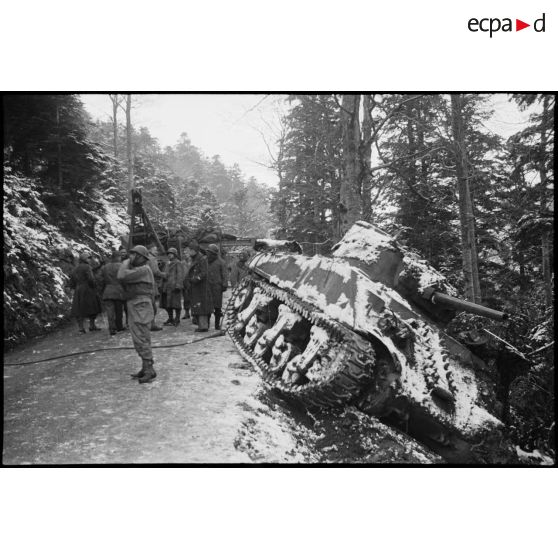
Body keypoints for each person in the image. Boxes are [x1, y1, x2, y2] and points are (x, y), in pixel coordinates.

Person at [117, 245, 157, 384]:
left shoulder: (144, 269)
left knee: (142, 337)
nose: (131, 257)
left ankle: (149, 369)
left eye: (134, 255)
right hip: (136, 304)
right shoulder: (139, 269)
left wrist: (125, 261)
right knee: (138, 338)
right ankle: (145, 367)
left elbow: (121, 275)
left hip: (140, 305)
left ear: (141, 257)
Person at [69, 251, 103, 334]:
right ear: (84, 259)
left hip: (78, 290)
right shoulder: (87, 267)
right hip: (88, 289)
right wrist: (95, 286)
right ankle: (92, 326)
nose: (90, 260)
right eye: (88, 258)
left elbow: (72, 282)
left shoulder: (75, 268)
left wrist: (75, 288)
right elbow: (91, 279)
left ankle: (81, 328)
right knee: (93, 307)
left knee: (79, 309)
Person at [186, 240, 212, 332]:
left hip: (201, 287)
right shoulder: (195, 258)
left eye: (189, 250)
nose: (188, 252)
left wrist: (195, 279)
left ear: (194, 250)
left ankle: (203, 326)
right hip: (196, 287)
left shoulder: (201, 259)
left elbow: (204, 273)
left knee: (201, 306)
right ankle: (202, 325)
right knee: (198, 305)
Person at [98, 250, 125, 335]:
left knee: (110, 311)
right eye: (120, 257)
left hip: (108, 290)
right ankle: (119, 327)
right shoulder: (121, 266)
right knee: (119, 310)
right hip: (118, 290)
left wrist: (101, 290)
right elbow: (125, 279)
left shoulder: (105, 267)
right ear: (118, 257)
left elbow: (100, 279)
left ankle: (112, 328)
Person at [160, 247, 185, 326]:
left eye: (171, 254)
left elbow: (180, 275)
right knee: (167, 304)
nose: (170, 255)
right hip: (167, 286)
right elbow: (164, 274)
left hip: (174, 287)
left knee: (176, 304)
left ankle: (177, 318)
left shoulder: (178, 263)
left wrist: (178, 285)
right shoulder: (167, 263)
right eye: (169, 254)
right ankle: (170, 318)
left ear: (175, 254)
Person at [206, 244, 228, 330]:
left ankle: (217, 325)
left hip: (217, 288)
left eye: (209, 252)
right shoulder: (206, 261)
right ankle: (206, 324)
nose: (208, 254)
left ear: (213, 253)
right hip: (207, 287)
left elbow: (225, 274)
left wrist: (224, 284)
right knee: (207, 307)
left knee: (217, 308)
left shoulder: (221, 262)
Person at [147, 243, 164, 332]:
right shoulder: (152, 258)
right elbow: (155, 271)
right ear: (150, 250)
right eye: (155, 249)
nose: (156, 251)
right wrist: (164, 274)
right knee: (152, 305)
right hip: (151, 284)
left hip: (145, 284)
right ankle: (152, 324)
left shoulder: (144, 258)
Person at [182, 251, 193, 319]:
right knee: (186, 299)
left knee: (193, 298)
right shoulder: (182, 263)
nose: (186, 254)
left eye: (187, 253)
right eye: (184, 253)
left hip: (192, 282)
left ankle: (194, 314)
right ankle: (186, 313)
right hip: (184, 283)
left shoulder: (193, 262)